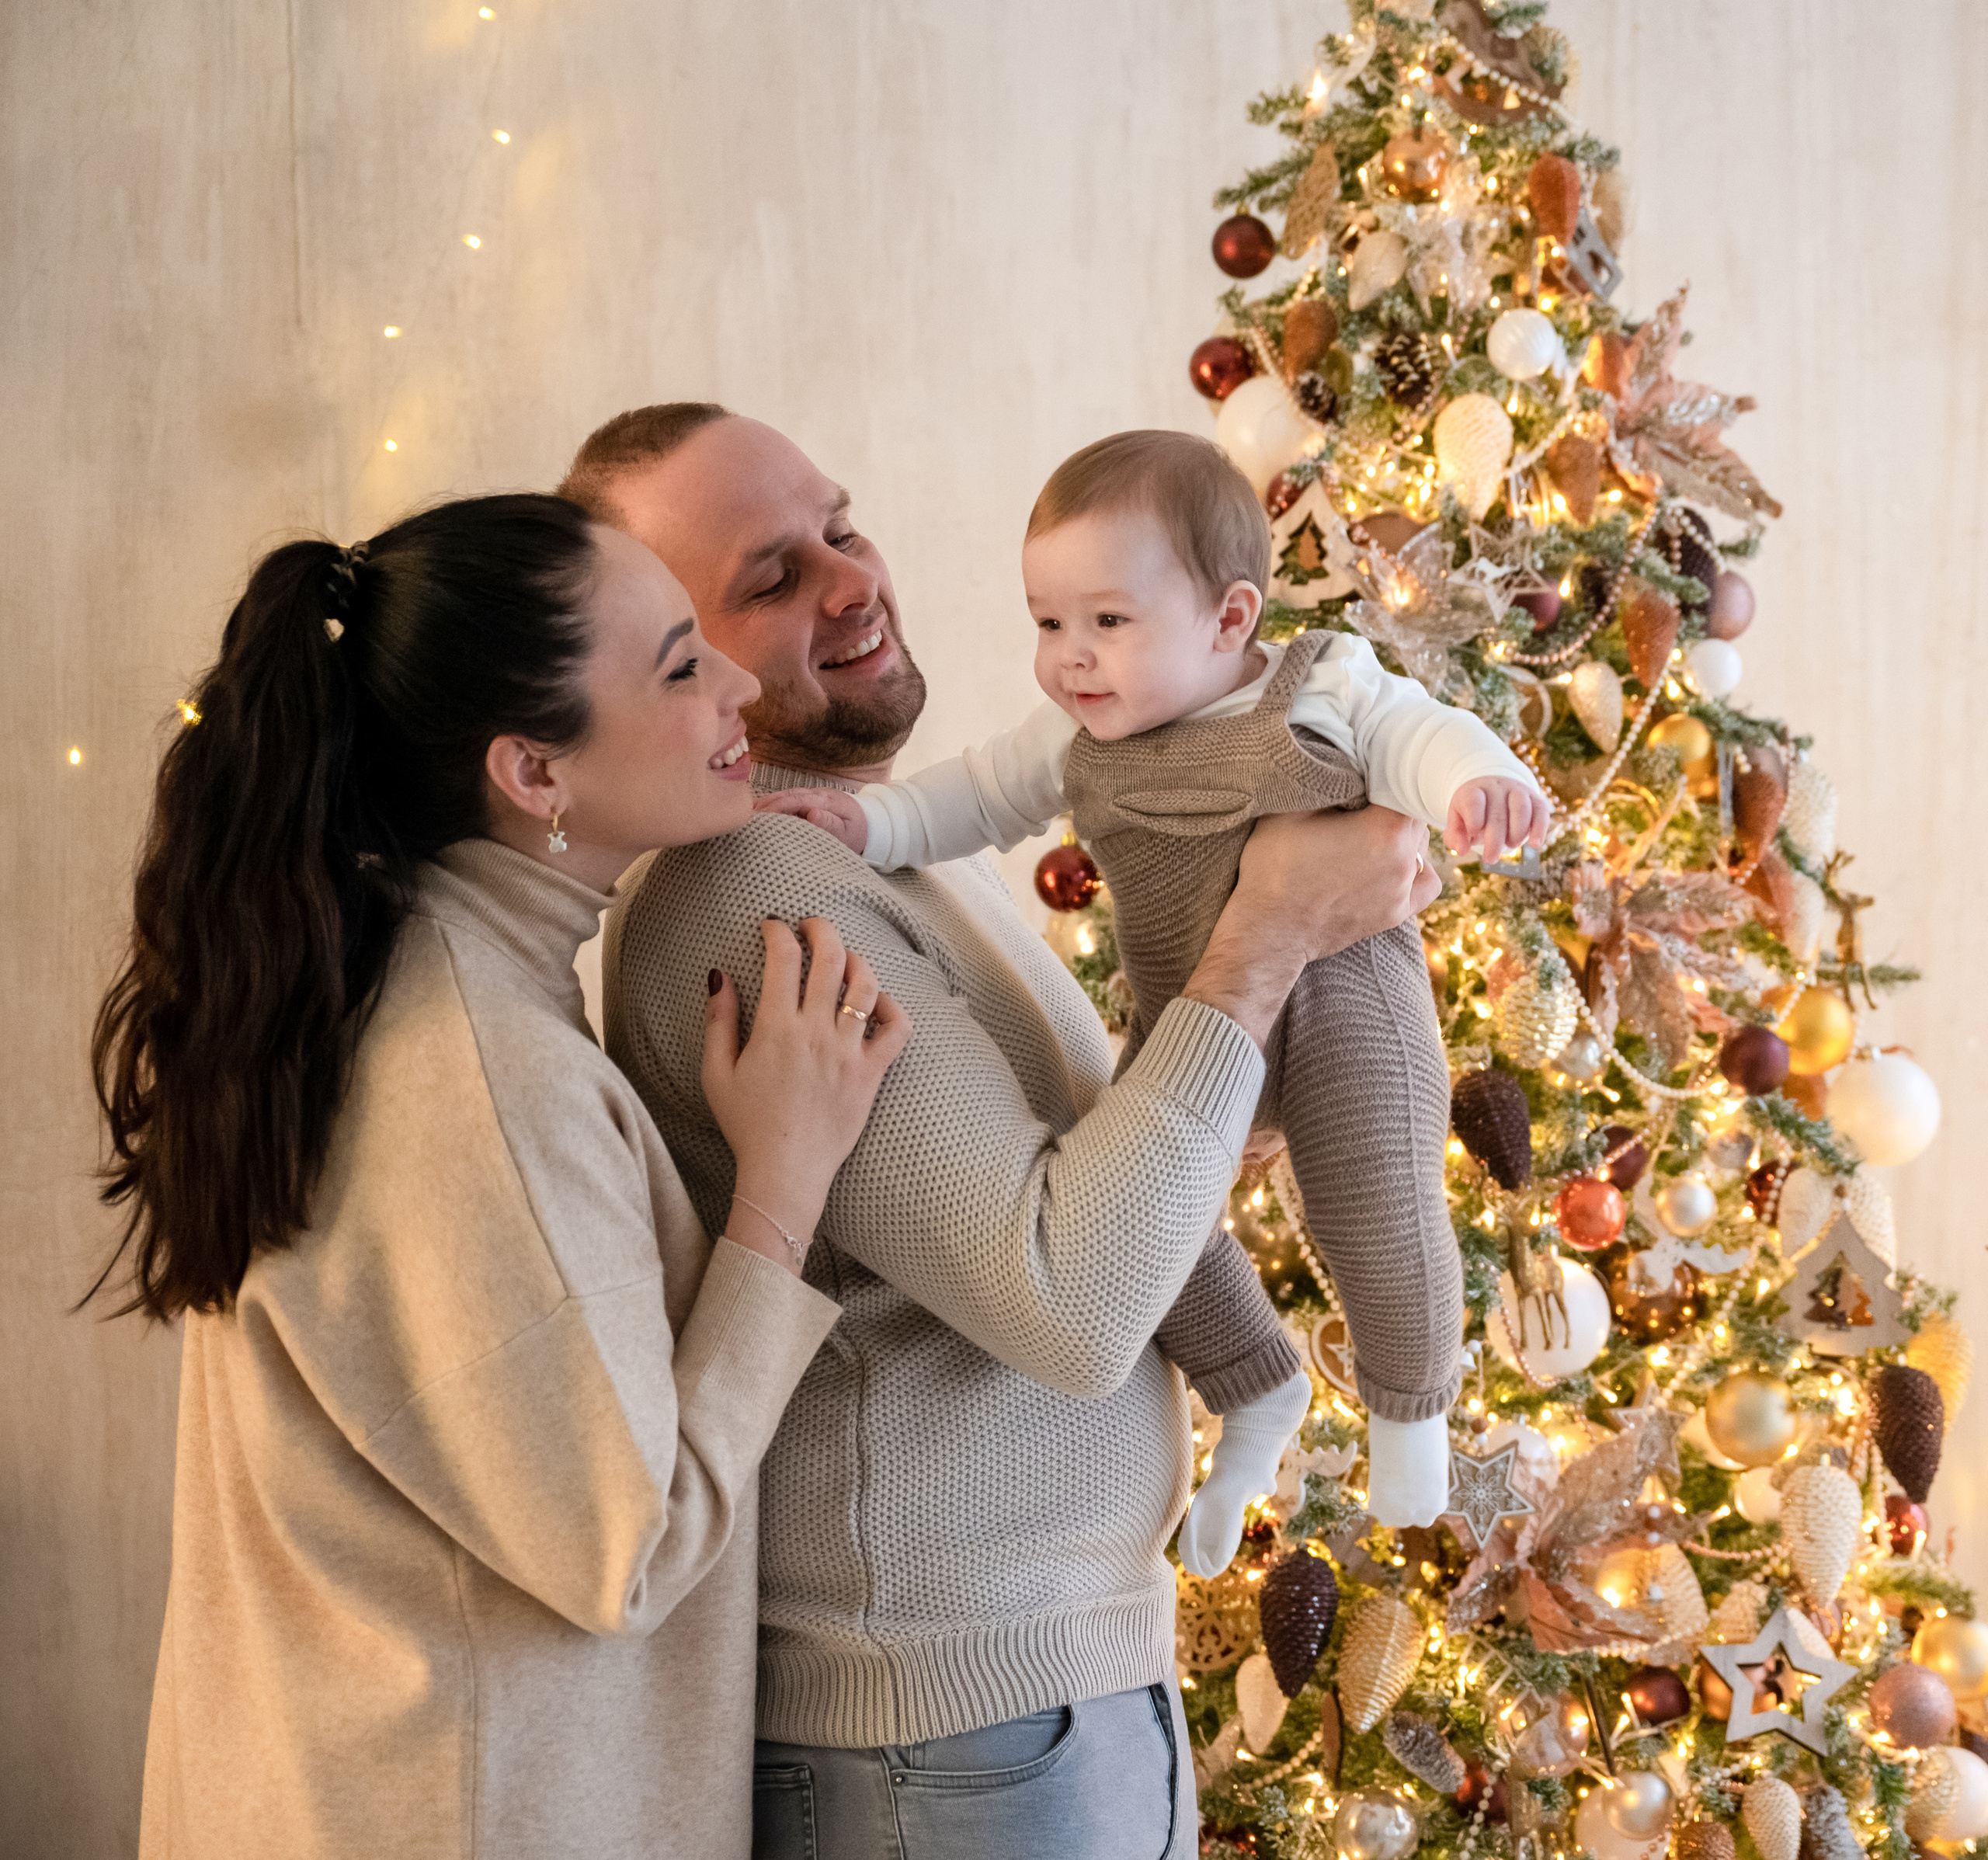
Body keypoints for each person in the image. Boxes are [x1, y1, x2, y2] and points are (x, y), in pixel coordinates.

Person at [561, 405, 1441, 1860]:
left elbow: (1071, 1188)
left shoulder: (868, 846)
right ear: (671, 653)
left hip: (1038, 1712)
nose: (850, 583)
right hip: (943, 1744)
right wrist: (1270, 929)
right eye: (770, 580)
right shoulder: (755, 899)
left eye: (841, 528)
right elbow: (1073, 1302)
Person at [89, 492, 909, 1859]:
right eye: (679, 663)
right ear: (534, 773)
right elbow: (625, 1547)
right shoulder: (473, 1067)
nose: (743, 683)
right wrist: (784, 1179)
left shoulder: (417, 995)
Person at [762, 429, 1552, 1523]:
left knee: (1371, 1195)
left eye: (1107, 623)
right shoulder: (1079, 739)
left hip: (1341, 1003)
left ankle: (1410, 1413)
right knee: (1139, 1223)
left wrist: (1479, 785)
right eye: (1048, 624)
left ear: (1230, 619)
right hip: (1194, 1022)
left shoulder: (1317, 683)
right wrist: (867, 819)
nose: (1069, 657)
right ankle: (1257, 1383)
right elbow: (972, 798)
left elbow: (1420, 735)